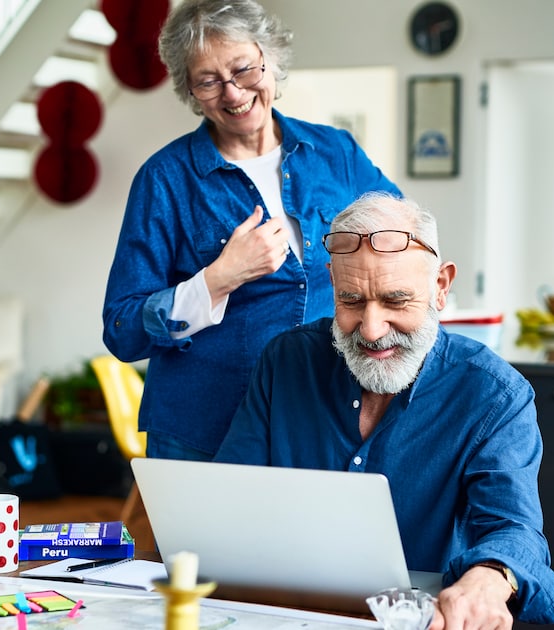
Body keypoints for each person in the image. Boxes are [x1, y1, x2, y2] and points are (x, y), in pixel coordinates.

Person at [215, 192, 554, 628]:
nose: (370, 329)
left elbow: (513, 529)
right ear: (332, 283)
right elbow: (230, 497)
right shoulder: (285, 361)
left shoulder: (495, 395)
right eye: (350, 301)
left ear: (440, 287)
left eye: (395, 301)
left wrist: (490, 578)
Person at [101, 0, 400, 461]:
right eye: (208, 81)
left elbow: (403, 239)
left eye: (243, 69)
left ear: (270, 58)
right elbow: (122, 328)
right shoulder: (164, 179)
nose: (233, 93)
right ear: (190, 90)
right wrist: (219, 277)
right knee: (200, 539)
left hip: (325, 423)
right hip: (204, 431)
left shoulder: (335, 153)